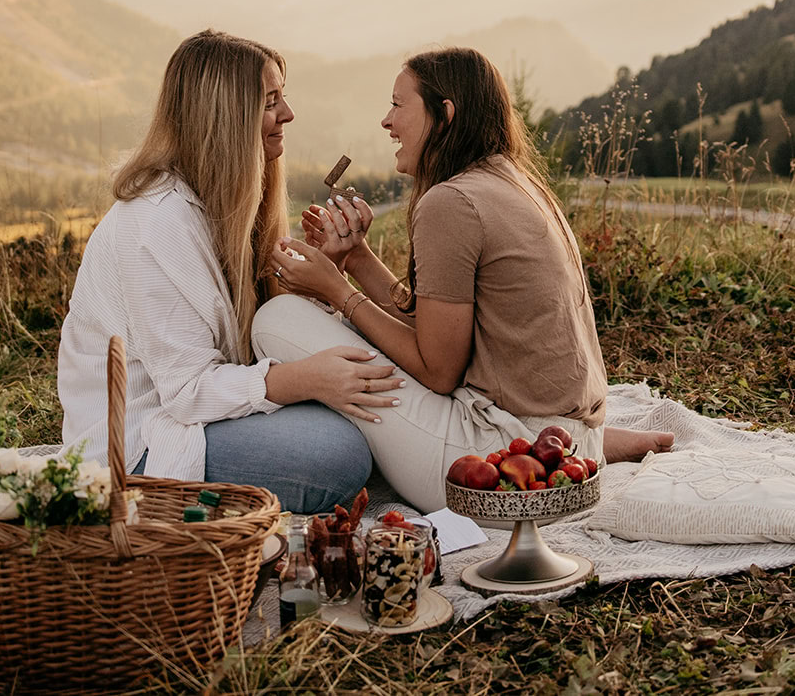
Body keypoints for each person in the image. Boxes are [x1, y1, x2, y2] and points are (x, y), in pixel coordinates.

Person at [256, 47, 672, 513]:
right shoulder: (513, 182)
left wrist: (336, 290)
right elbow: (438, 327)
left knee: (278, 318)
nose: (386, 122)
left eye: (398, 105)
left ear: (444, 114)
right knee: (348, 327)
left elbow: (438, 370)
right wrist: (354, 257)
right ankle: (594, 444)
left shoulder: (450, 203)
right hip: (564, 443)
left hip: (498, 463)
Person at [57, 30, 398, 513]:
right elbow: (186, 393)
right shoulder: (157, 226)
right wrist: (306, 380)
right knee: (336, 454)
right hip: (138, 446)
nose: (288, 115)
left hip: (193, 417)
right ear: (226, 116)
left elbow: (256, 331)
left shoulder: (225, 201)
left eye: (284, 97)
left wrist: (332, 267)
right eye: (270, 102)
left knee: (355, 420)